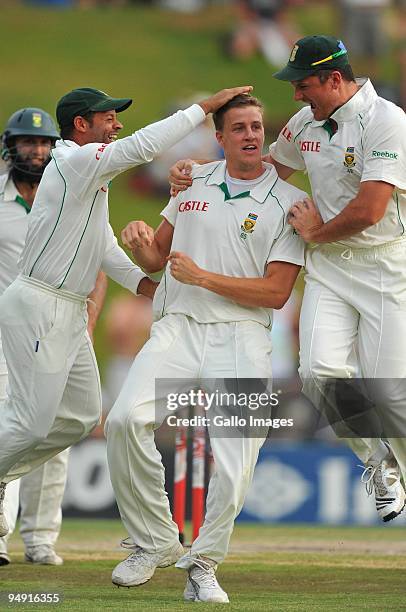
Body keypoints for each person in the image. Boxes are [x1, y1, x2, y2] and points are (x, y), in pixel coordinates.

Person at [0, 85, 250, 539]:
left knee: (80, 416)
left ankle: (2, 473)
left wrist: (146, 287)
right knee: (32, 422)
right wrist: (203, 109)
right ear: (82, 125)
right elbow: (143, 147)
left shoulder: (89, 177)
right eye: (108, 117)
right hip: (39, 304)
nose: (116, 125)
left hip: (71, 309)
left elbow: (103, 246)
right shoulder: (74, 160)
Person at [105, 94, 306, 602]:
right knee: (124, 419)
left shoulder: (288, 203)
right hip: (178, 327)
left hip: (242, 335)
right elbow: (157, 257)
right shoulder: (193, 180)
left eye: (257, 126)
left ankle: (205, 562)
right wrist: (139, 240)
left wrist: (204, 277)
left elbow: (277, 293)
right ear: (219, 137)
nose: (250, 135)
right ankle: (154, 540)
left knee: (236, 461)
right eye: (238, 127)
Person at [269, 34, 406, 521]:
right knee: (317, 372)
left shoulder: (386, 120)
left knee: (390, 394)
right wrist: (199, 176)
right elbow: (266, 174)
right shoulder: (304, 122)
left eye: (303, 85)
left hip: (386, 265)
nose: (296, 96)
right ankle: (382, 466)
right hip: (329, 266)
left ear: (333, 78)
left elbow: (371, 209)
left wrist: (317, 233)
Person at [0, 107, 108, 565]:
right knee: (19, 423)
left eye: (44, 143)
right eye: (28, 143)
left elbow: (96, 257)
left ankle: (40, 536)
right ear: (11, 146)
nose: (38, 151)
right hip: (11, 328)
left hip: (59, 326)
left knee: (56, 427)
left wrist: (88, 319)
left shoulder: (69, 185)